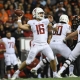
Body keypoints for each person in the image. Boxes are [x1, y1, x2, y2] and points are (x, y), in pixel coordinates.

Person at [10, 7, 60, 80]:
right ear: (35, 13)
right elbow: (20, 26)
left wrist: (52, 22)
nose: (42, 14)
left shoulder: (46, 21)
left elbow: (55, 29)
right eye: (40, 13)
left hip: (45, 44)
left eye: (42, 13)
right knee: (28, 61)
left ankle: (55, 74)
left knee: (52, 58)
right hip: (36, 44)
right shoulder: (31, 22)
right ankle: (16, 72)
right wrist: (19, 18)